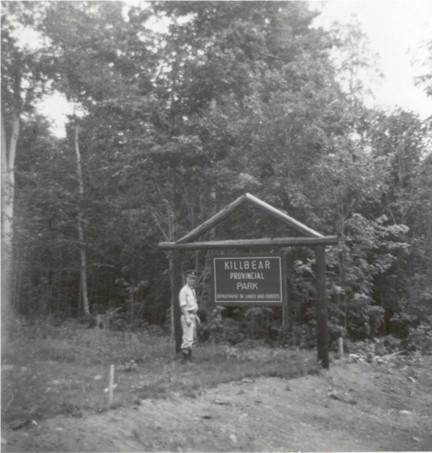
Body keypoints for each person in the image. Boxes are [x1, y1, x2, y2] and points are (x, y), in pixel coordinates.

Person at [179, 270, 200, 362]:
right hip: (187, 315)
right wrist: (187, 317)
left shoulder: (192, 290)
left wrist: (196, 316)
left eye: (193, 279)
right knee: (187, 338)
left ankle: (189, 359)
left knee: (192, 337)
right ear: (186, 279)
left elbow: (193, 304)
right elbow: (183, 306)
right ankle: (184, 359)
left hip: (193, 315)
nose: (192, 280)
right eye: (190, 278)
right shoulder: (184, 291)